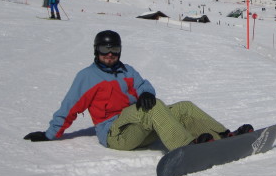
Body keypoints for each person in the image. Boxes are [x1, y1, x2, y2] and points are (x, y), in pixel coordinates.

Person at [24, 30, 253, 151]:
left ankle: (223, 136)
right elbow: (69, 108)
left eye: (114, 49)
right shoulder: (87, 77)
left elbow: (145, 85)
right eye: (105, 49)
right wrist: (50, 134)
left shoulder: (127, 70)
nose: (110, 54)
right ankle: (186, 148)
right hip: (117, 135)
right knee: (152, 110)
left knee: (183, 107)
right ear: (96, 50)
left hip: (139, 127)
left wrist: (146, 93)